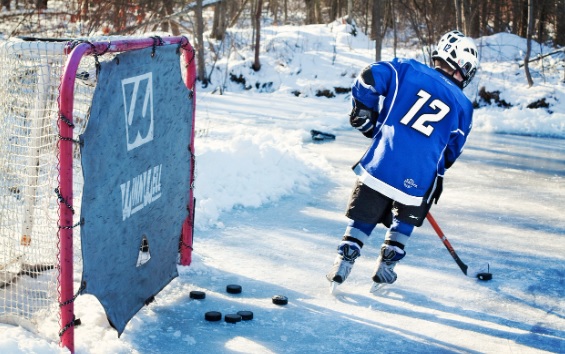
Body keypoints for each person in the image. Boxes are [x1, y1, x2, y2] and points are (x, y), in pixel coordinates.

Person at [326, 30, 480, 290]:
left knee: (367, 205)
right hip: (418, 178)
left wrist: (363, 111)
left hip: (380, 165)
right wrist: (437, 170)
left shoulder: (405, 69)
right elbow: (452, 152)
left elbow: (369, 77)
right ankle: (387, 265)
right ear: (464, 66)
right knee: (417, 199)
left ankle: (345, 259)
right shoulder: (463, 106)